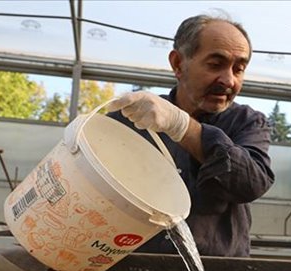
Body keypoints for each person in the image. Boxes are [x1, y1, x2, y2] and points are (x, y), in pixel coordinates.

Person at [107, 14, 274, 257]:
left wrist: (183, 127)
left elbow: (251, 182)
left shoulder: (247, 122)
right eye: (215, 65)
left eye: (239, 69)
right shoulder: (133, 118)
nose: (228, 80)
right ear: (178, 63)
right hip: (134, 268)